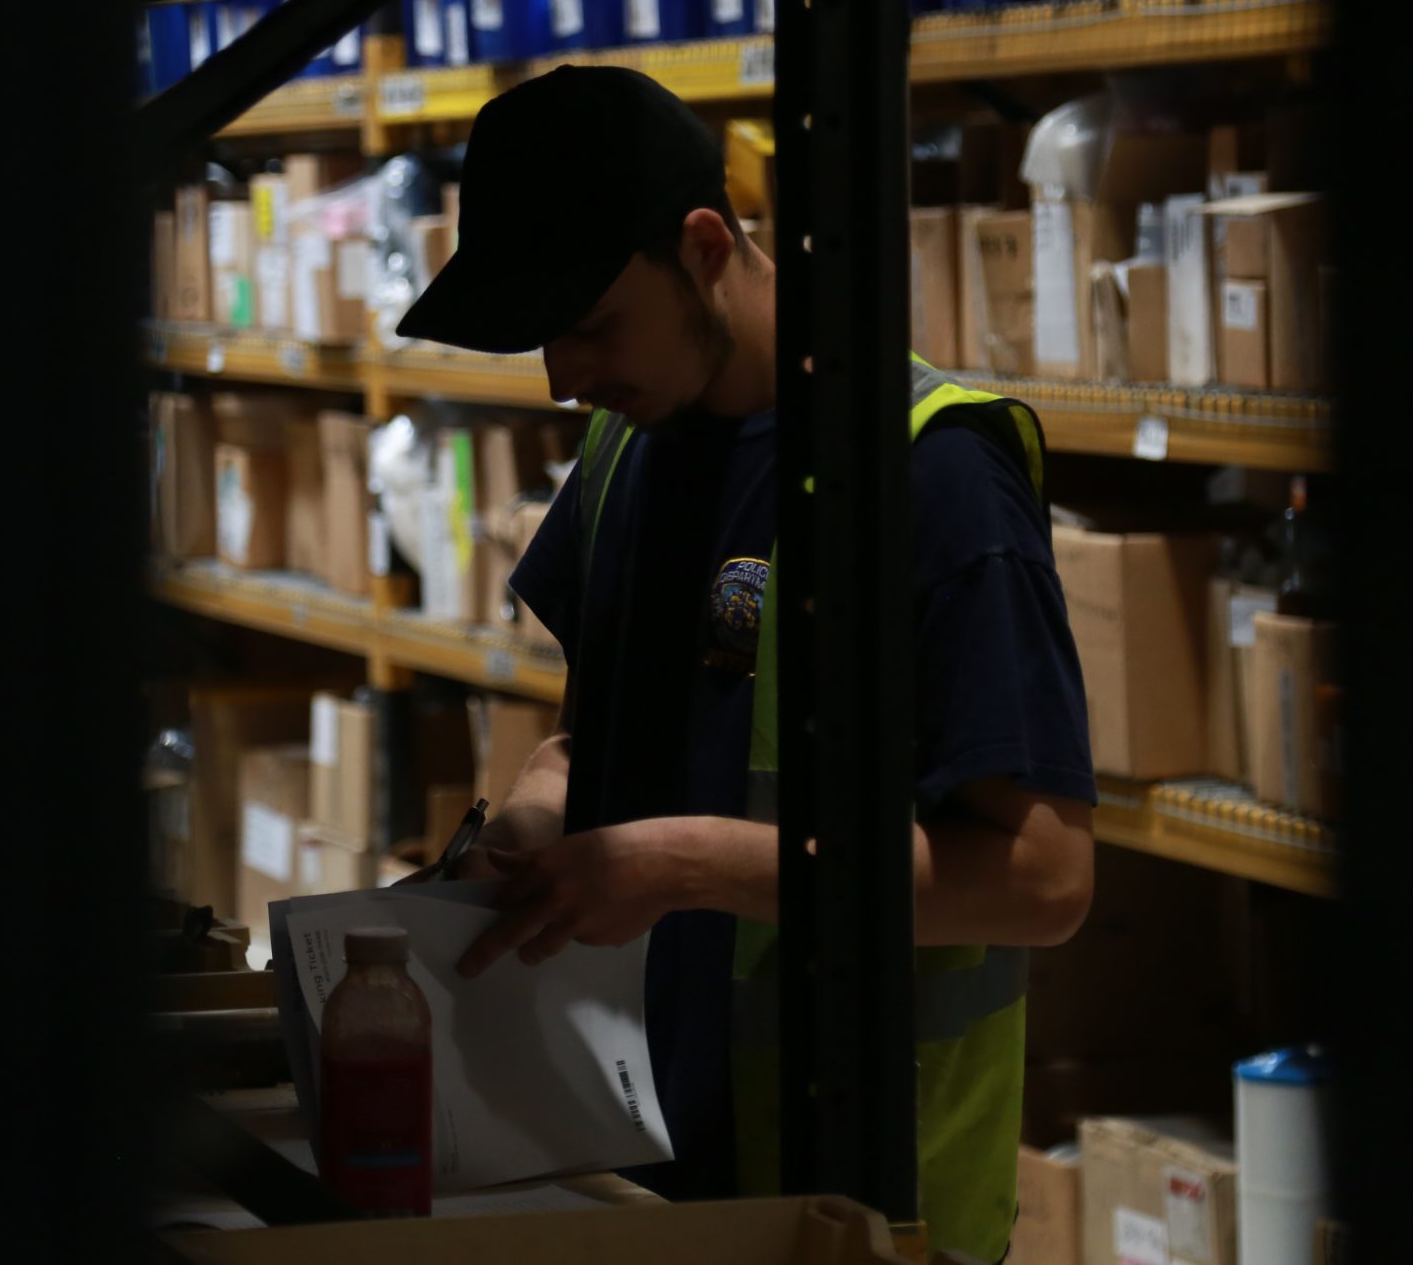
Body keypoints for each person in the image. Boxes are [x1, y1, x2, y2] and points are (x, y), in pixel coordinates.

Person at [396, 64, 1095, 1261]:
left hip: (860, 1206)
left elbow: (1042, 881)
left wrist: (682, 864)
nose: (563, 378)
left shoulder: (929, 475)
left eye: (590, 325)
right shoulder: (623, 450)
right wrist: (529, 832)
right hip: (627, 1170)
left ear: (705, 247)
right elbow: (587, 741)